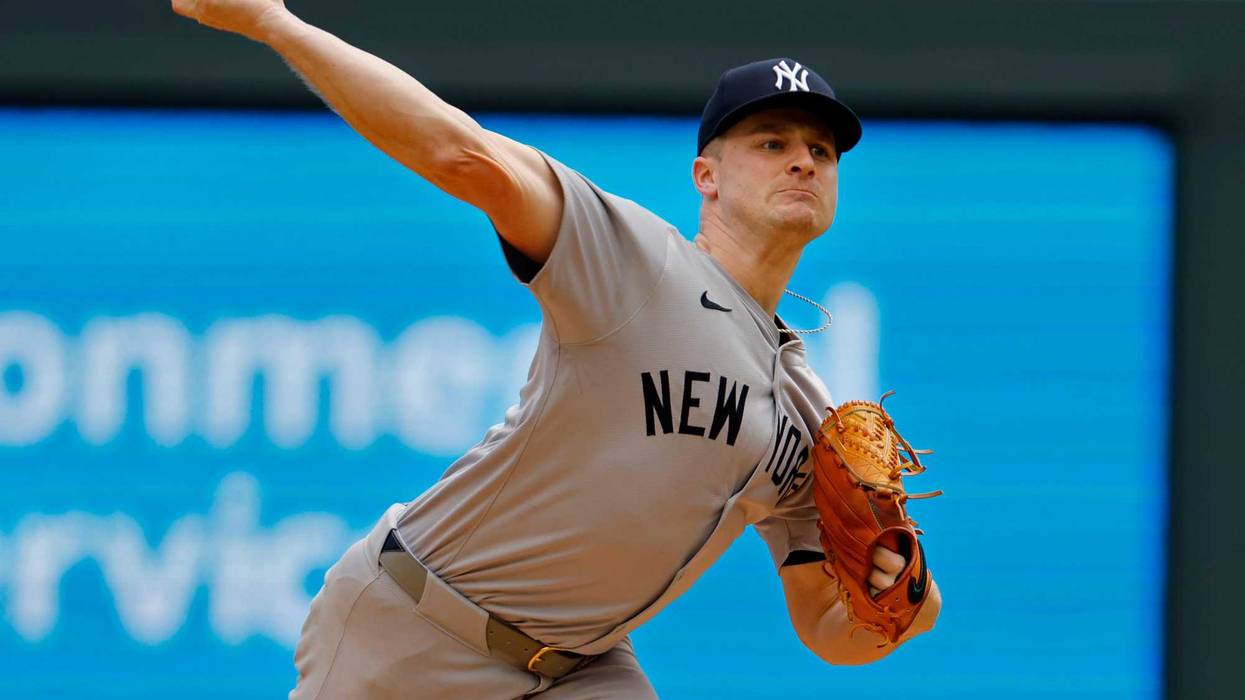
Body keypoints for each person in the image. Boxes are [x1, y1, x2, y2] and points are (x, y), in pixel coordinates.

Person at [170, 2, 942, 697]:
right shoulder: (636, 260)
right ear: (705, 175)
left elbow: (825, 628)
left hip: (579, 669)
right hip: (415, 629)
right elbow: (459, 154)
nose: (803, 160)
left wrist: (901, 601)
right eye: (771, 142)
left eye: (821, 150)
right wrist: (274, 21)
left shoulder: (811, 419)